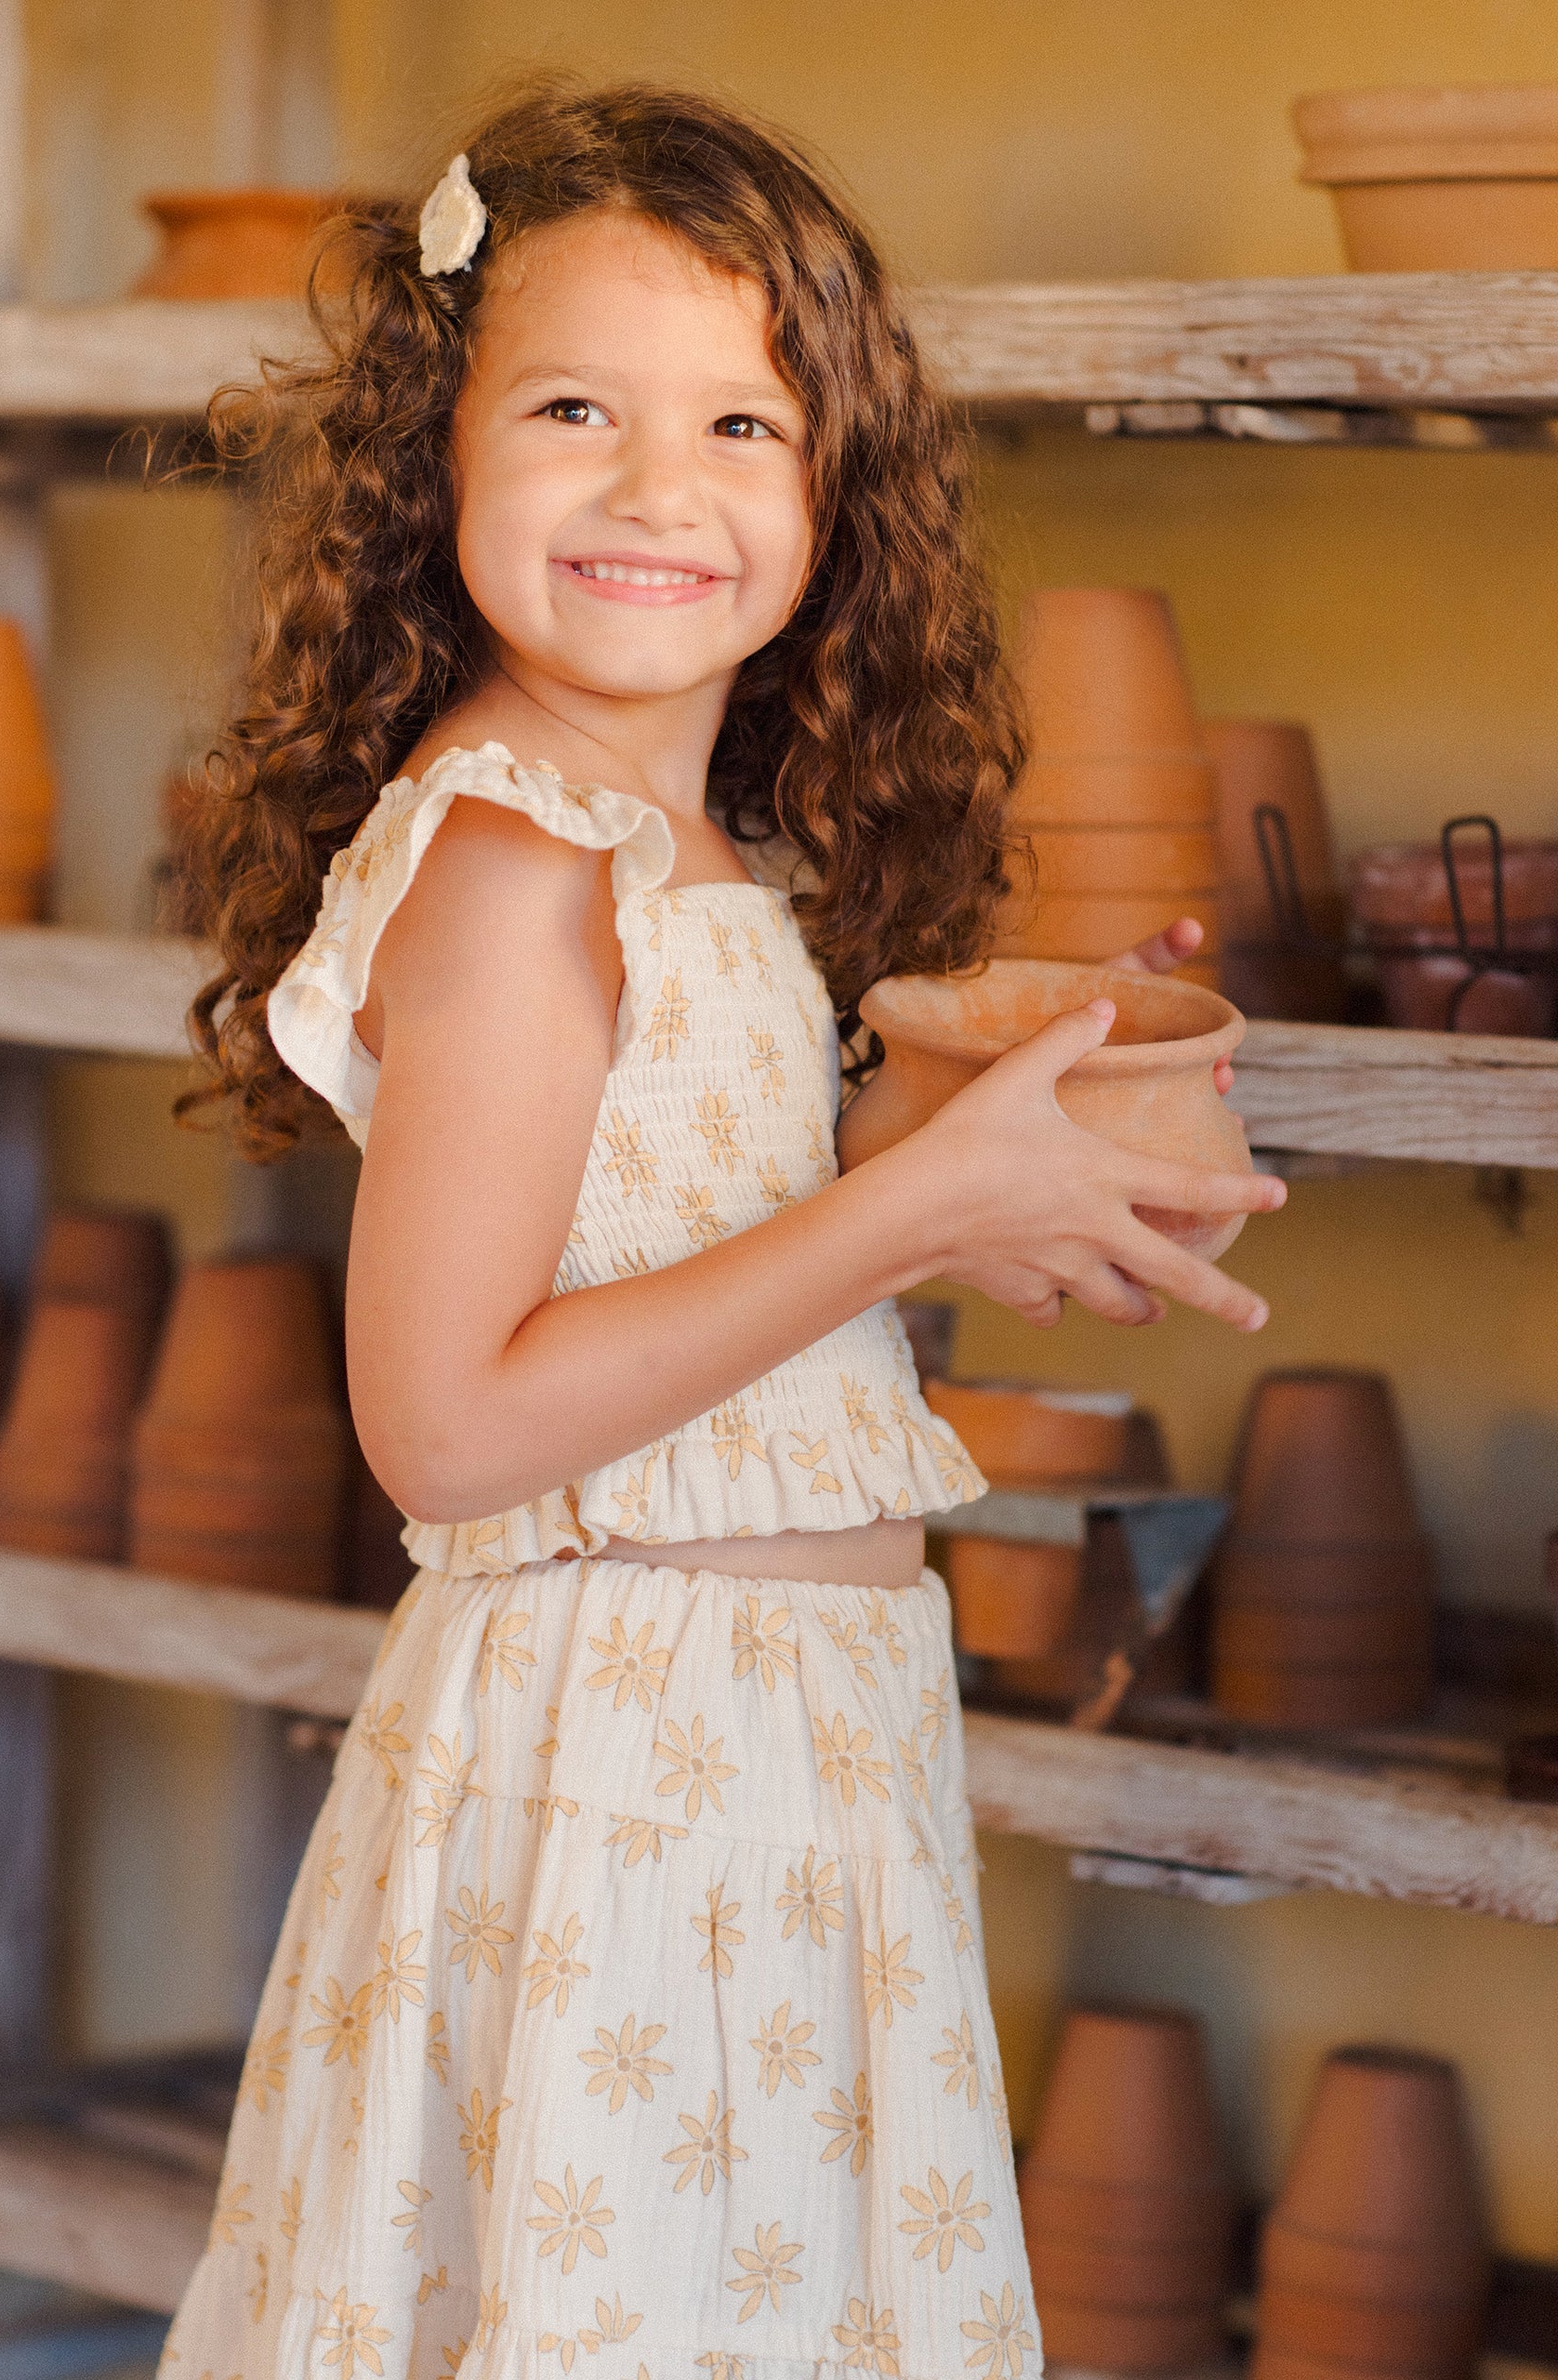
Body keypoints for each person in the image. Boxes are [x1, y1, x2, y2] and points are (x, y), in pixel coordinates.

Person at [159, 81, 1280, 2380]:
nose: (659, 488)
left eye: (743, 424)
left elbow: (680, 1238)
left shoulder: (688, 858)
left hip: (780, 1771)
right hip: (612, 1784)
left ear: (832, 497)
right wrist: (906, 1209)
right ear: (427, 461)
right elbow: (450, 1425)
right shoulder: (510, 863)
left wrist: (947, 1112)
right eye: (573, 407)